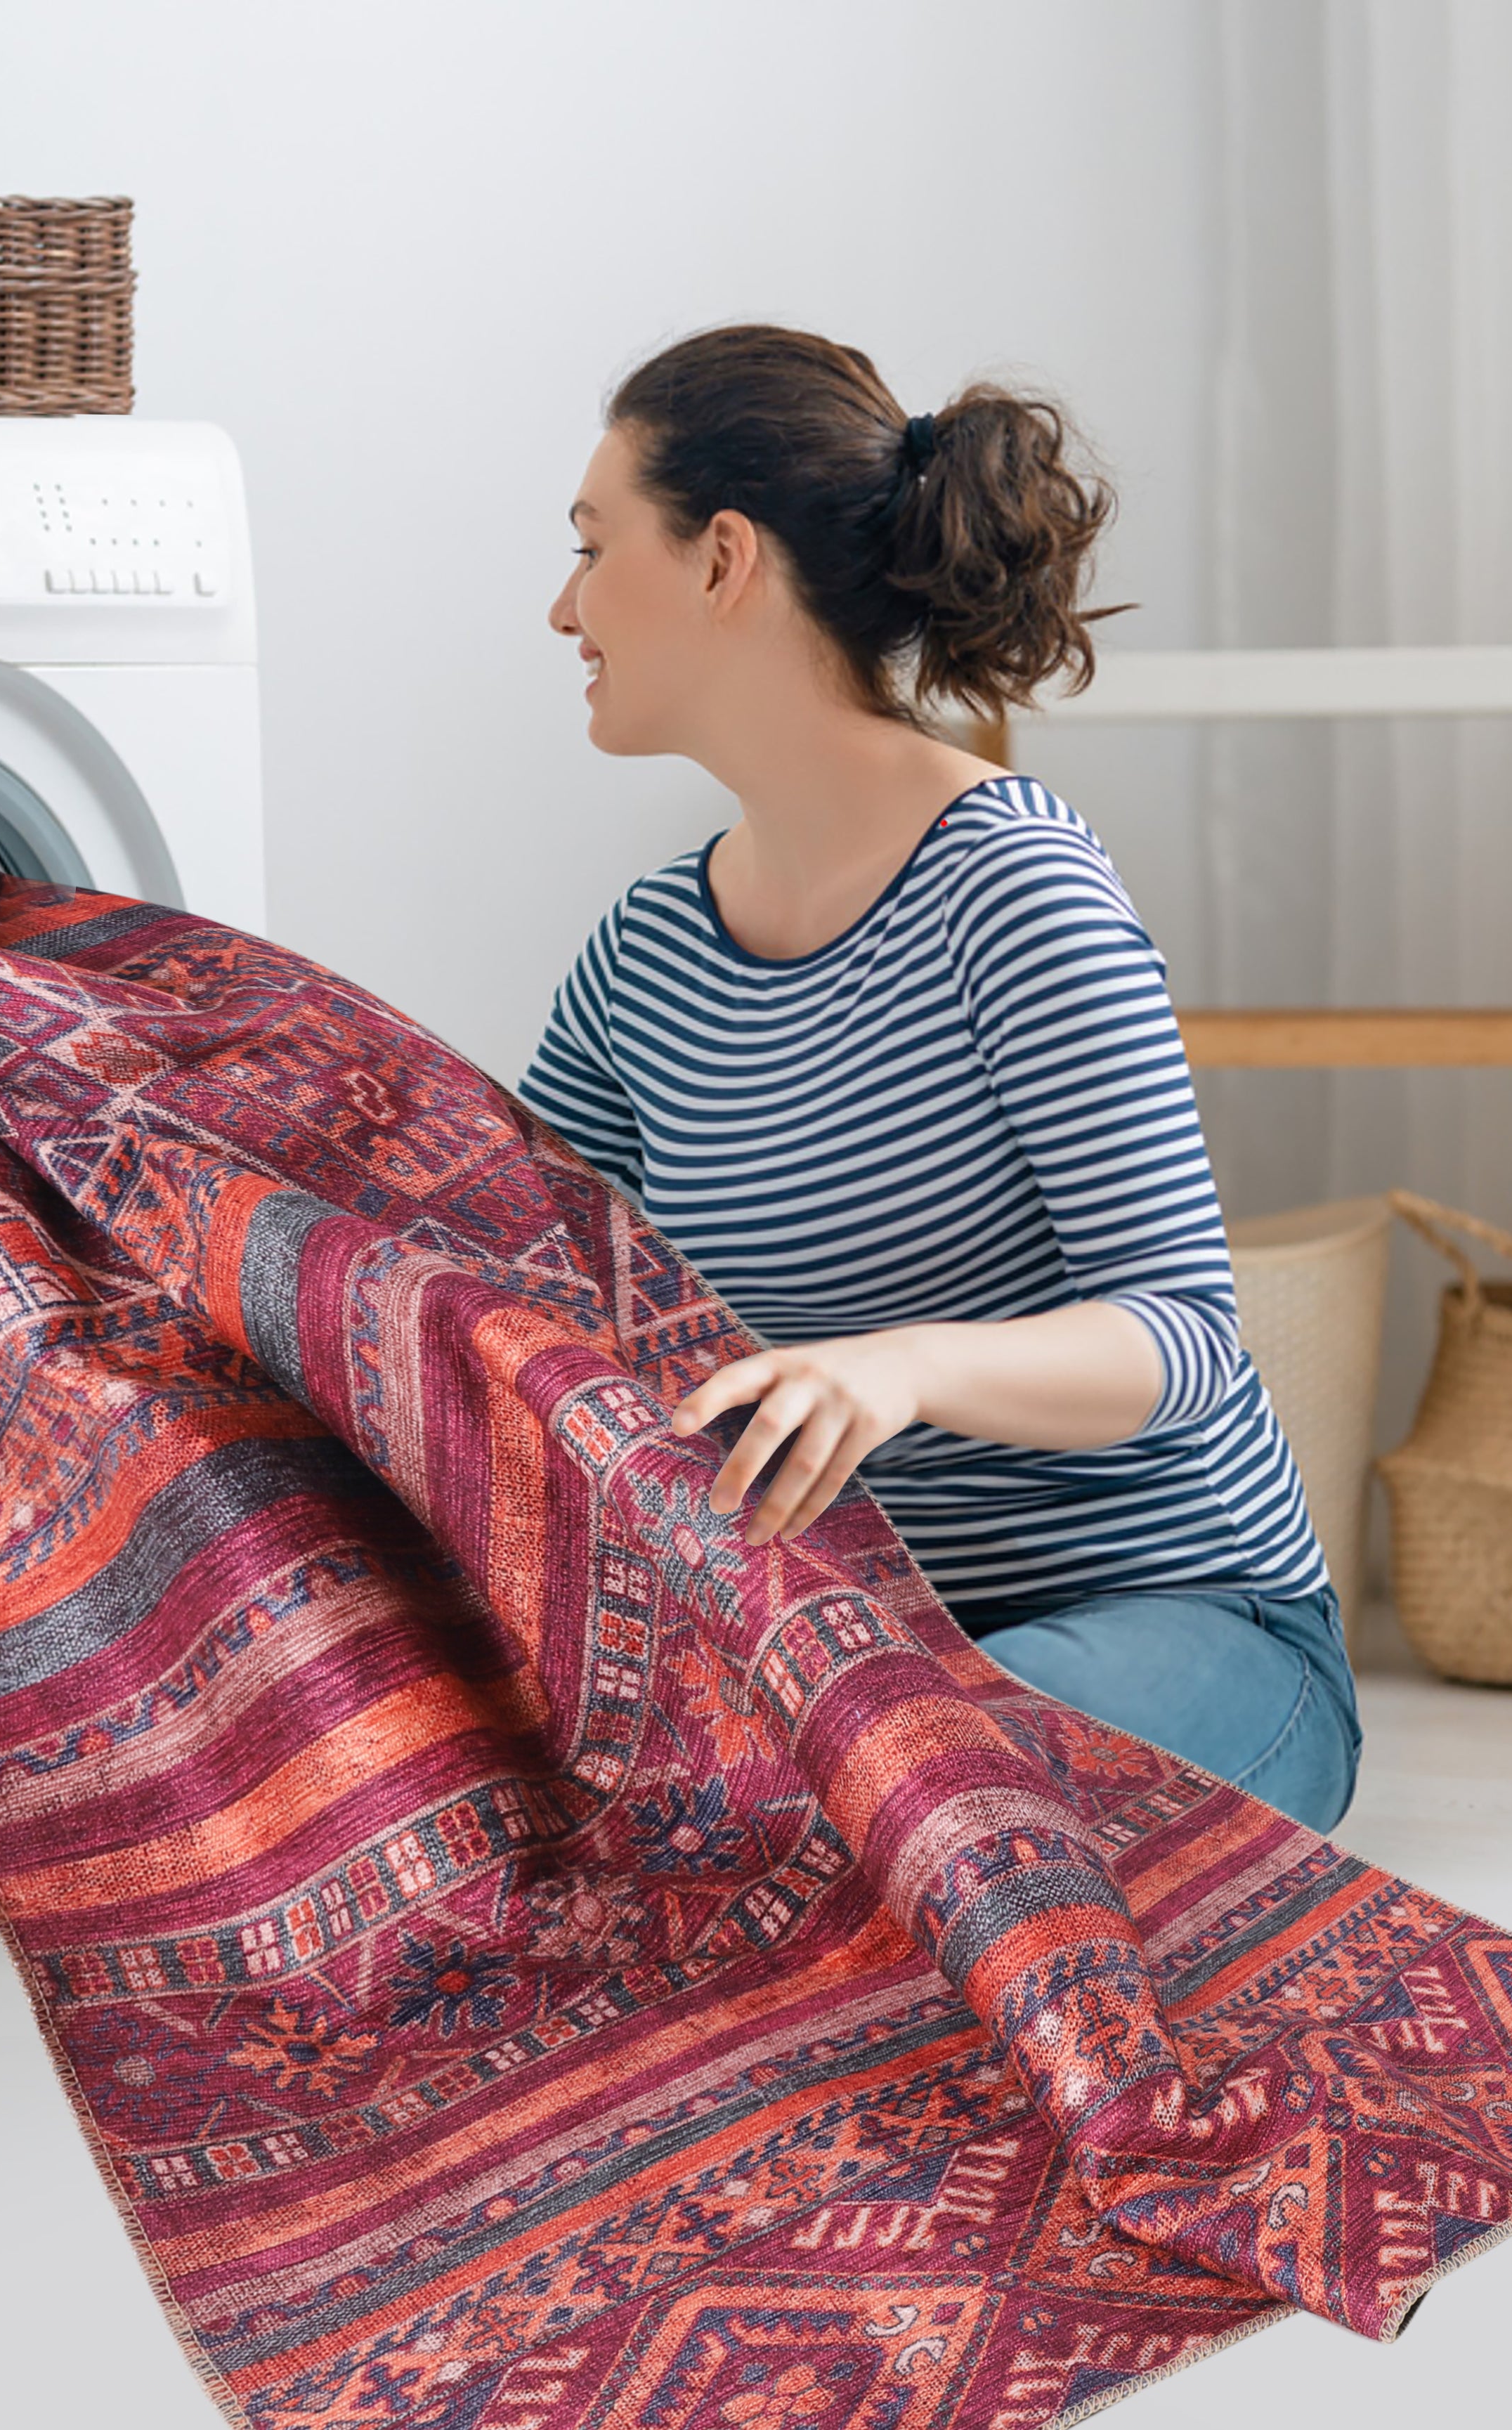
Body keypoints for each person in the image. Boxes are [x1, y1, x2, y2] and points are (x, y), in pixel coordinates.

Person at [518, 324, 1360, 1833]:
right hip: (854, 1659)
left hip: (1179, 1618)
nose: (562, 607)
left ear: (722, 560)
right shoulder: (645, 955)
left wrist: (897, 1367)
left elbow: (1180, 1334)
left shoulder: (1012, 888)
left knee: (890, 1809)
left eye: (592, 548)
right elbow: (505, 1278)